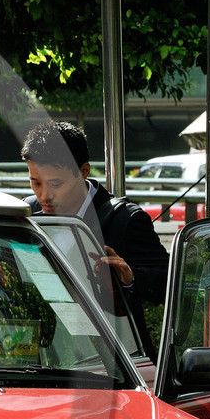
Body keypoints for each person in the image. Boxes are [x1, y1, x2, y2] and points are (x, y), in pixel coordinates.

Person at [22, 121, 171, 308]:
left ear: (84, 171)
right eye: (36, 183)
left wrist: (130, 277)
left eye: (55, 184)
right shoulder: (26, 211)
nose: (44, 196)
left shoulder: (125, 220)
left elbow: (169, 281)